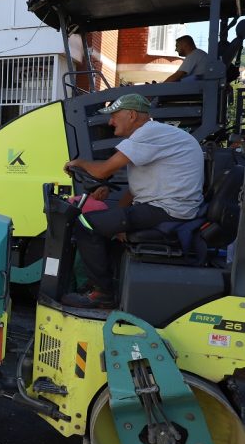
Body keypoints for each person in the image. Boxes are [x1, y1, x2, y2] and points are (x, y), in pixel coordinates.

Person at [61, 93, 204, 309]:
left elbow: (102, 171)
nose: (110, 122)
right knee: (105, 228)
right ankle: (106, 284)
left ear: (131, 115)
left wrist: (78, 163)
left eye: (114, 116)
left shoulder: (148, 133)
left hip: (167, 210)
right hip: (169, 207)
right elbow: (136, 188)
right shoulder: (155, 134)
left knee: (84, 224)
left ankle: (102, 293)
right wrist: (116, 218)